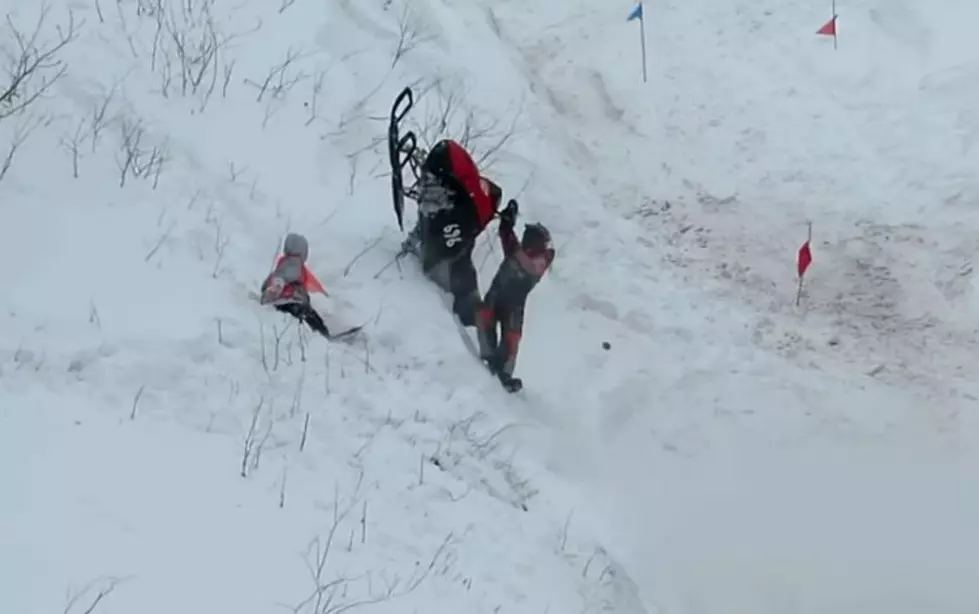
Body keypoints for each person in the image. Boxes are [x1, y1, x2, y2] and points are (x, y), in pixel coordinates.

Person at [402, 139, 502, 326]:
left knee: (460, 277)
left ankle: (470, 322)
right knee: (458, 269)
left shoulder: (475, 204)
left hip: (452, 240)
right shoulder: (478, 200)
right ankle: (471, 319)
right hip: (453, 225)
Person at [476, 199, 554, 392]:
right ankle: (488, 357)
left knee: (511, 338)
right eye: (527, 234)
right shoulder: (516, 250)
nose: (527, 238)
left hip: (515, 305)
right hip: (497, 296)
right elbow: (507, 235)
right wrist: (506, 221)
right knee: (484, 316)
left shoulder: (543, 258)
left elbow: (528, 264)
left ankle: (505, 374)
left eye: (532, 236)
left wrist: (508, 230)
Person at [259, 232, 331, 337]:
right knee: (313, 319)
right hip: (292, 302)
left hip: (288, 302)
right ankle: (324, 335)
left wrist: (266, 288)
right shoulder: (294, 263)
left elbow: (274, 276)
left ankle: (315, 335)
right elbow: (283, 277)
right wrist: (275, 288)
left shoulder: (286, 262)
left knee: (307, 318)